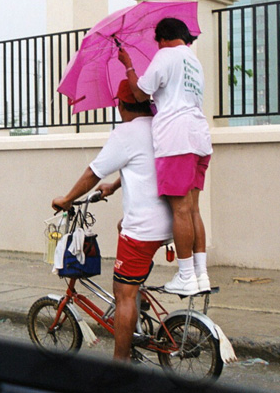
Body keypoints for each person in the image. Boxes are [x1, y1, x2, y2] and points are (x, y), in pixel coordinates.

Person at [52, 80, 172, 362]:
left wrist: (67, 199)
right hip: (169, 221)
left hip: (144, 229)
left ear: (121, 105)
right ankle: (137, 307)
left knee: (123, 294)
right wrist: (115, 186)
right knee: (123, 229)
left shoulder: (126, 132)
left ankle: (121, 363)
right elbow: (144, 164)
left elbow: (93, 172)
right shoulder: (160, 125)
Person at [117, 17, 212, 296]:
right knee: (193, 209)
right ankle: (200, 274)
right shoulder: (194, 62)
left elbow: (139, 92)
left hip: (176, 139)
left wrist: (129, 65)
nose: (157, 45)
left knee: (180, 210)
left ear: (163, 38)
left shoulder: (166, 55)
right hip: (199, 138)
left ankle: (185, 275)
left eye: (158, 40)